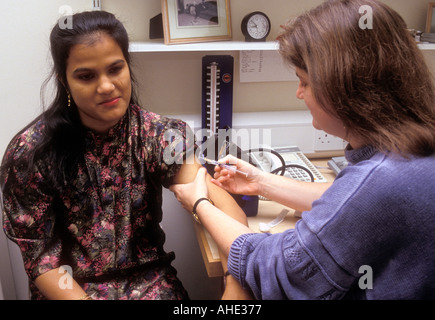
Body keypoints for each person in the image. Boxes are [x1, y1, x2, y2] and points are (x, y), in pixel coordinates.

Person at [170, 0, 435, 299]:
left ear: (343, 87)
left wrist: (199, 203)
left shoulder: (381, 178)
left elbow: (271, 269)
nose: (299, 93)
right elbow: (344, 200)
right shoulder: (412, 151)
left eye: (305, 82)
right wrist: (261, 182)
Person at [0, 10, 248, 300]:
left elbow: (217, 202)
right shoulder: (31, 154)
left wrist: (237, 280)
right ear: (64, 80)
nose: (106, 86)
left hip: (152, 286)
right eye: (86, 76)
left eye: (115, 69)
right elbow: (43, 263)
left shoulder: (159, 135)